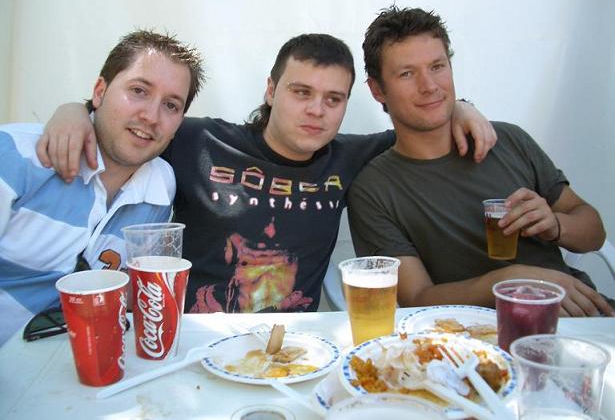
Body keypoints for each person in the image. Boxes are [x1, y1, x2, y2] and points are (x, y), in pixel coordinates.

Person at [36, 33, 496, 314]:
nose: (316, 110)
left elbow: (420, 125)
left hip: (292, 351)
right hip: (190, 340)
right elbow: (132, 124)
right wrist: (75, 109)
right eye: (301, 92)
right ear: (272, 90)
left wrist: (460, 105)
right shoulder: (197, 140)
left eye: (333, 99)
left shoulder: (352, 156)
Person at [348, 5, 614, 317]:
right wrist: (508, 281)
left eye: (437, 66)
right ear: (378, 90)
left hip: (580, 317)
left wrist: (556, 225)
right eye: (407, 73)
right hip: (473, 333)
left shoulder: (509, 140)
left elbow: (594, 233)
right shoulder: (373, 190)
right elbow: (416, 299)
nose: (429, 86)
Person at [0, 30, 205, 345]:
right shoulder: (15, 156)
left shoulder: (160, 184)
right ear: (99, 91)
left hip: (86, 363)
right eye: (138, 91)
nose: (151, 116)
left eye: (171, 105)